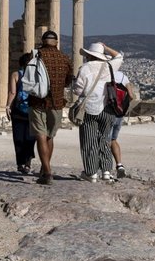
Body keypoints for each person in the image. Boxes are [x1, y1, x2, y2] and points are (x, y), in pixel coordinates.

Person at [73, 41, 124, 182]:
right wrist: (106, 47)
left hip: (88, 108)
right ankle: (106, 171)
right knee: (104, 139)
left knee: (89, 140)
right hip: (107, 108)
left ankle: (91, 172)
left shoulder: (84, 68)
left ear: (89, 56)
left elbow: (77, 90)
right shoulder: (109, 66)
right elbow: (119, 56)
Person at [27, 30, 74, 185]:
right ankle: (44, 167)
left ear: (42, 41)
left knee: (40, 134)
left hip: (37, 101)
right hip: (57, 102)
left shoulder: (35, 56)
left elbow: (28, 78)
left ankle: (47, 172)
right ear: (57, 42)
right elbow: (69, 81)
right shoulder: (65, 59)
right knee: (50, 136)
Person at [5, 53, 36, 174]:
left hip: (18, 110)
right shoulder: (36, 75)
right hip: (33, 109)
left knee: (18, 137)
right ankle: (28, 163)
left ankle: (20, 163)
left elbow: (12, 92)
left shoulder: (16, 74)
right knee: (30, 137)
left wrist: (8, 106)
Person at [109, 68, 135, 179]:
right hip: (119, 113)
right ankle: (119, 165)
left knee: (105, 140)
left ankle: (106, 170)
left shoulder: (105, 75)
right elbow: (131, 96)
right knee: (113, 140)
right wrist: (122, 106)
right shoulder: (123, 76)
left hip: (108, 112)